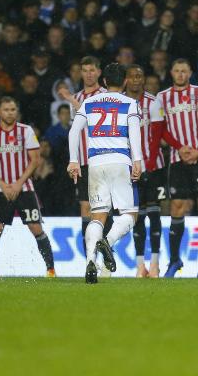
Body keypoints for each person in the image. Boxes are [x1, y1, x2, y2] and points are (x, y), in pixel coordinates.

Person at [67, 63, 142, 284]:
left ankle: (90, 260)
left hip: (96, 163)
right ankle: (107, 242)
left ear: (105, 82)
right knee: (130, 214)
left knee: (98, 215)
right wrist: (137, 161)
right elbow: (134, 133)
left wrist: (73, 160)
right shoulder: (130, 103)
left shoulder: (89, 103)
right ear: (125, 81)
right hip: (120, 160)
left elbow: (74, 131)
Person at [0, 96, 56, 278]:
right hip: (1, 189)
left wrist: (18, 184)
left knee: (35, 228)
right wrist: (4, 185)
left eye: (13, 109)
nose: (9, 113)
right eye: (6, 109)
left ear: (17, 112)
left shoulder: (26, 131)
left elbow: (35, 160)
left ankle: (51, 269)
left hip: (25, 188)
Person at [154, 58, 198, 278]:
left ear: (189, 73)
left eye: (184, 71)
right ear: (171, 72)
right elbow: (161, 129)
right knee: (177, 207)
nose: (180, 74)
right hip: (178, 159)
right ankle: (174, 259)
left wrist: (197, 149)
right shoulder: (162, 97)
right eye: (177, 71)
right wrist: (179, 148)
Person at [58, 56, 107, 254]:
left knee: (103, 210)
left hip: (104, 161)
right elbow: (76, 132)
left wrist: (71, 100)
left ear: (99, 72)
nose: (88, 74)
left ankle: (105, 255)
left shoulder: (106, 95)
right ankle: (90, 258)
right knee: (86, 209)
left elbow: (94, 121)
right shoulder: (77, 98)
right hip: (85, 164)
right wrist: (74, 161)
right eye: (84, 70)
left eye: (92, 70)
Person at [125, 64, 166, 278]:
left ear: (143, 80)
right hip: (130, 168)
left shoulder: (154, 101)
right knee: (137, 216)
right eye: (132, 76)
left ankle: (156, 264)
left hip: (154, 166)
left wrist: (147, 163)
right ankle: (140, 266)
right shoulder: (120, 103)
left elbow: (157, 136)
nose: (135, 80)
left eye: (139, 76)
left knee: (155, 214)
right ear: (126, 80)